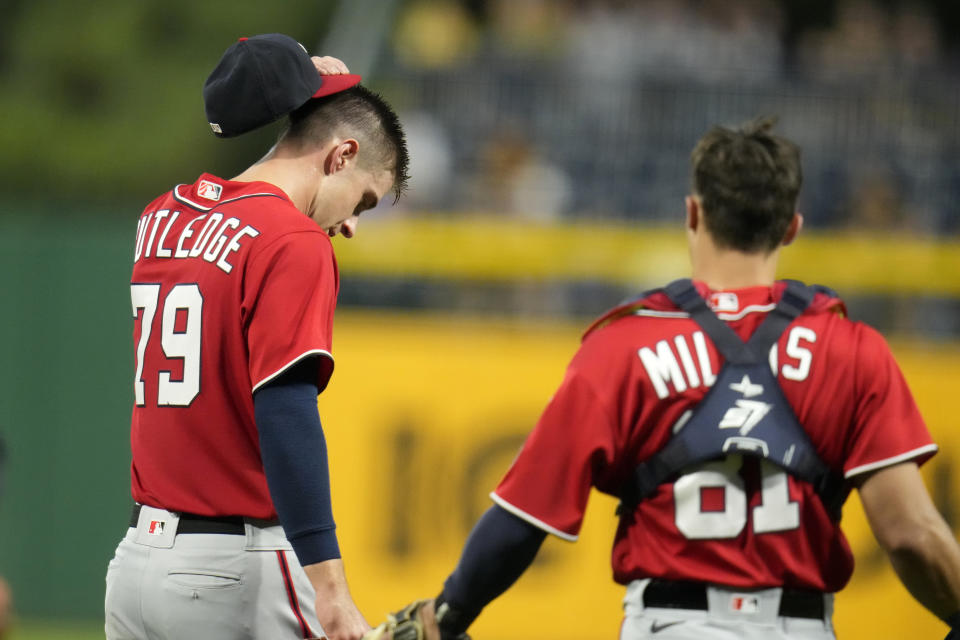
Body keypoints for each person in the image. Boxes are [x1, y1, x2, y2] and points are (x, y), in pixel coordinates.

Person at [366, 117, 960, 640]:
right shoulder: (851, 348)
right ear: (792, 227)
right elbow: (910, 534)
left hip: (669, 624)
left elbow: (523, 519)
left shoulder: (627, 344)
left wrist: (448, 614)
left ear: (693, 213)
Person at [104, 34, 409, 640]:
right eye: (365, 202)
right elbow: (286, 410)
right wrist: (331, 590)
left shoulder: (162, 214)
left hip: (136, 563)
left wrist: (319, 90)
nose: (349, 224)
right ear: (342, 154)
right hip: (233, 574)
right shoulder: (293, 242)